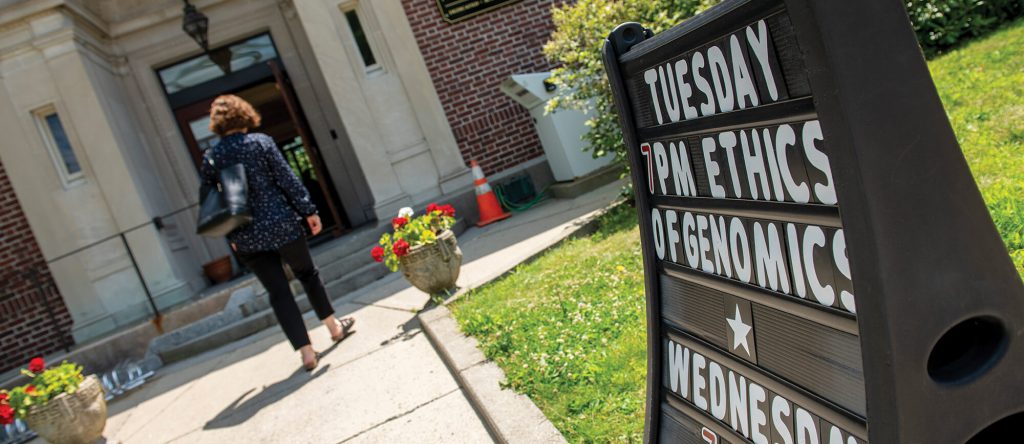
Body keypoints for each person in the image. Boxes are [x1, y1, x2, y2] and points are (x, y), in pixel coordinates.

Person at [200, 94, 353, 371]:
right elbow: (287, 178)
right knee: (307, 274)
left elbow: (215, 202)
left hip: (247, 235)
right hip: (281, 223)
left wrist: (231, 237)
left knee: (278, 292)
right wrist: (308, 210)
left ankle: (307, 353)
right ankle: (333, 327)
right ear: (245, 115)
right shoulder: (260, 143)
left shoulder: (213, 156)